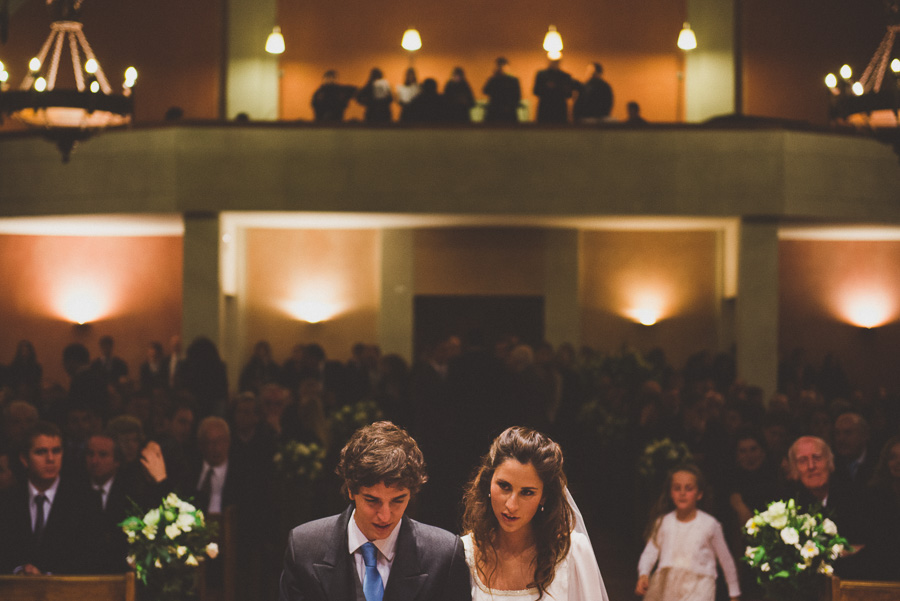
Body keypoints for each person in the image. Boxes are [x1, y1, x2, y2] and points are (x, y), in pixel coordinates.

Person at [279, 421, 471, 601]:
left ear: (411, 494)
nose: (385, 516)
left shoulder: (444, 555)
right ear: (351, 490)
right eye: (372, 500)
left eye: (398, 500)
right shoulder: (304, 548)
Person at [460, 426, 608, 601]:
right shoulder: (464, 554)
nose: (511, 505)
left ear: (544, 497)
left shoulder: (573, 552)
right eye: (504, 486)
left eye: (527, 492)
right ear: (488, 483)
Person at [635, 464, 740, 601]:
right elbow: (650, 552)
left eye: (688, 488)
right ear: (670, 492)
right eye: (677, 488)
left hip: (700, 587)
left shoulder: (710, 525)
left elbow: (725, 560)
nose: (682, 493)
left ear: (699, 494)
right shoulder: (663, 522)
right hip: (668, 588)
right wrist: (644, 574)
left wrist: (734, 593)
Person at [532, 59, 575, 124]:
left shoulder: (565, 76)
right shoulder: (564, 76)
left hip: (554, 110)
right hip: (550, 109)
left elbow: (569, 94)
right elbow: (536, 91)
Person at [483, 57, 521, 123]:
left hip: (501, 109)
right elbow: (485, 90)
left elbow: (486, 90)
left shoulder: (495, 79)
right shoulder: (512, 80)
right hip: (502, 109)